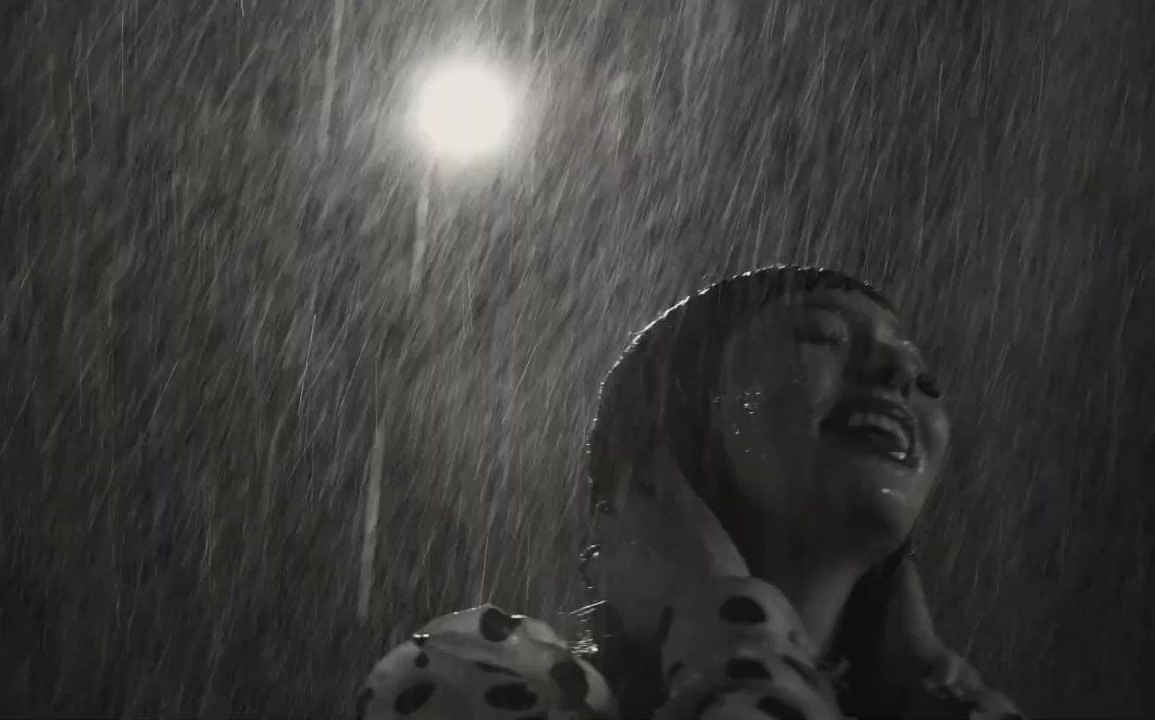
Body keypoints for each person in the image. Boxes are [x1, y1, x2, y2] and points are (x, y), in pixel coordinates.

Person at [354, 266, 1022, 719]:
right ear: (671, 431)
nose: (903, 369)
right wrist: (730, 620)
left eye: (925, 378)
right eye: (823, 336)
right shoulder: (475, 685)